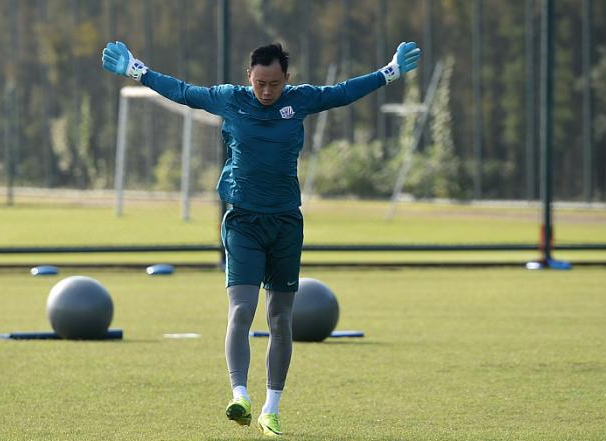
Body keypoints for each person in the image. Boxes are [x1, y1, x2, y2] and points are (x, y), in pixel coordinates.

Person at [102, 40, 420, 438]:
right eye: (259, 83)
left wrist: (389, 72)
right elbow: (183, 91)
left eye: (274, 84)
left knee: (281, 319)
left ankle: (272, 408)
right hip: (243, 223)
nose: (266, 91)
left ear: (287, 79)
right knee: (241, 310)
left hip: (286, 224)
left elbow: (343, 93)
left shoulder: (300, 100)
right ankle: (240, 395)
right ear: (248, 78)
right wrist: (138, 70)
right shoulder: (229, 100)